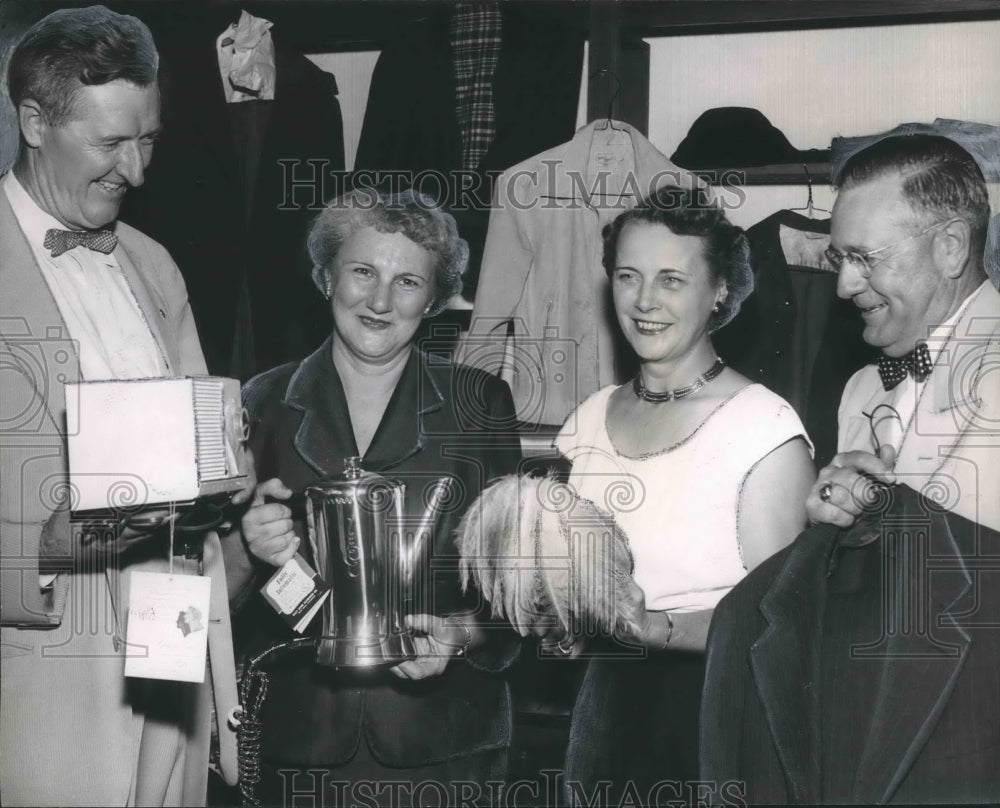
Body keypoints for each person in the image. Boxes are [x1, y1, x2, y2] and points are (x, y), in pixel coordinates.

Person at [701, 134, 1000, 804]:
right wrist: (829, 528)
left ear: (951, 247)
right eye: (840, 259)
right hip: (870, 741)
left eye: (865, 259)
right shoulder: (861, 390)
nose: (842, 285)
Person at [0, 6, 248, 806]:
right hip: (44, 657)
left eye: (149, 140)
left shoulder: (154, 262)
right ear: (34, 122)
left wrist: (227, 460)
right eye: (110, 143)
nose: (136, 172)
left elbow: (204, 457)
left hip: (171, 624)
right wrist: (44, 547)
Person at [230, 187, 522, 806]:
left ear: (436, 299)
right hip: (299, 738)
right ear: (325, 275)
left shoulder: (481, 405)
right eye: (363, 271)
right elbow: (220, 593)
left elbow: (516, 588)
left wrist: (460, 635)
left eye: (408, 281)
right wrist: (246, 545)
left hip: (444, 741)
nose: (381, 300)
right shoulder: (260, 402)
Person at [551, 185, 815, 805]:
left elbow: (784, 623)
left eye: (672, 279)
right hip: (600, 709)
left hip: (717, 715)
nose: (644, 301)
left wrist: (653, 625)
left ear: (720, 290)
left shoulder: (762, 428)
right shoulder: (589, 419)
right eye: (628, 276)